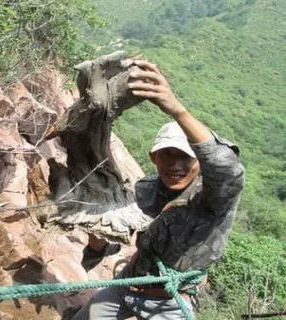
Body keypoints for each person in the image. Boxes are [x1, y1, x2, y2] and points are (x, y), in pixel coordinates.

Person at [71, 60, 245, 320]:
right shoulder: (147, 190)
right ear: (153, 158)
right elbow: (114, 230)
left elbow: (227, 170)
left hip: (172, 301)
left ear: (198, 161)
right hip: (128, 285)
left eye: (184, 157)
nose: (174, 165)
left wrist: (177, 110)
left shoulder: (212, 198)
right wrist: (97, 236)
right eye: (166, 155)